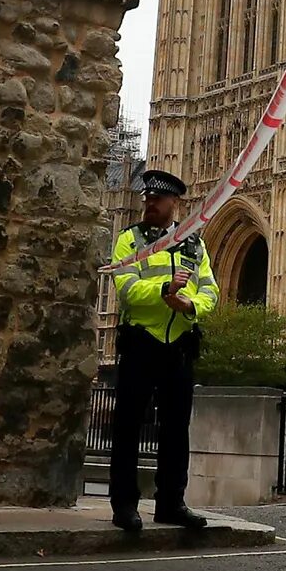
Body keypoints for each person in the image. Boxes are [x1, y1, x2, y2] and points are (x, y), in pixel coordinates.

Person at [106, 169, 218, 535]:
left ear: (174, 204)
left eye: (157, 200)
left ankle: (171, 502)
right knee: (128, 426)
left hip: (179, 345)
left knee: (176, 429)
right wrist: (163, 288)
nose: (150, 204)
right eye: (147, 199)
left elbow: (210, 290)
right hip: (141, 341)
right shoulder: (129, 240)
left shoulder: (193, 245)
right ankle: (124, 505)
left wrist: (189, 306)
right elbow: (125, 289)